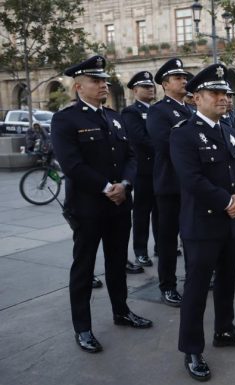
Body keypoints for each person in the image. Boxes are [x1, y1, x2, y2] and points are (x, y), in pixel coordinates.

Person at [51, 55, 152, 354]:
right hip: (88, 208)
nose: (103, 85)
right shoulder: (66, 119)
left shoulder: (114, 117)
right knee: (83, 268)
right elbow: (71, 164)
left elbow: (132, 157)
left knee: (117, 263)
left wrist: (126, 184)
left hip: (119, 205)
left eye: (104, 80)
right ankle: (83, 327)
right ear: (79, 86)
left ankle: (121, 311)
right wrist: (108, 187)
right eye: (96, 81)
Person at [170, 64, 235, 382]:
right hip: (202, 225)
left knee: (228, 282)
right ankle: (192, 348)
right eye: (216, 93)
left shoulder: (229, 130)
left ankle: (225, 329)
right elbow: (191, 180)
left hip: (231, 222)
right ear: (196, 98)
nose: (224, 98)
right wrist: (227, 201)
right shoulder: (184, 133)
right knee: (196, 288)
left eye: (226, 93)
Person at [147, 58, 193, 307]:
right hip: (170, 185)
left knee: (190, 235)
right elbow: (165, 144)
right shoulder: (158, 111)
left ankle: (193, 278)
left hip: (190, 185)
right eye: (178, 78)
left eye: (185, 77)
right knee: (168, 240)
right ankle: (167, 285)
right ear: (165, 84)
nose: (184, 80)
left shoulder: (189, 109)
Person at [122, 71, 157, 271]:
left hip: (160, 169)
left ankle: (161, 247)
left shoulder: (156, 110)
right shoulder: (131, 112)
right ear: (135, 91)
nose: (150, 88)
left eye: (151, 86)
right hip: (143, 171)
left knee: (161, 212)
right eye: (145, 87)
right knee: (142, 213)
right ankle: (141, 251)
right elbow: (140, 138)